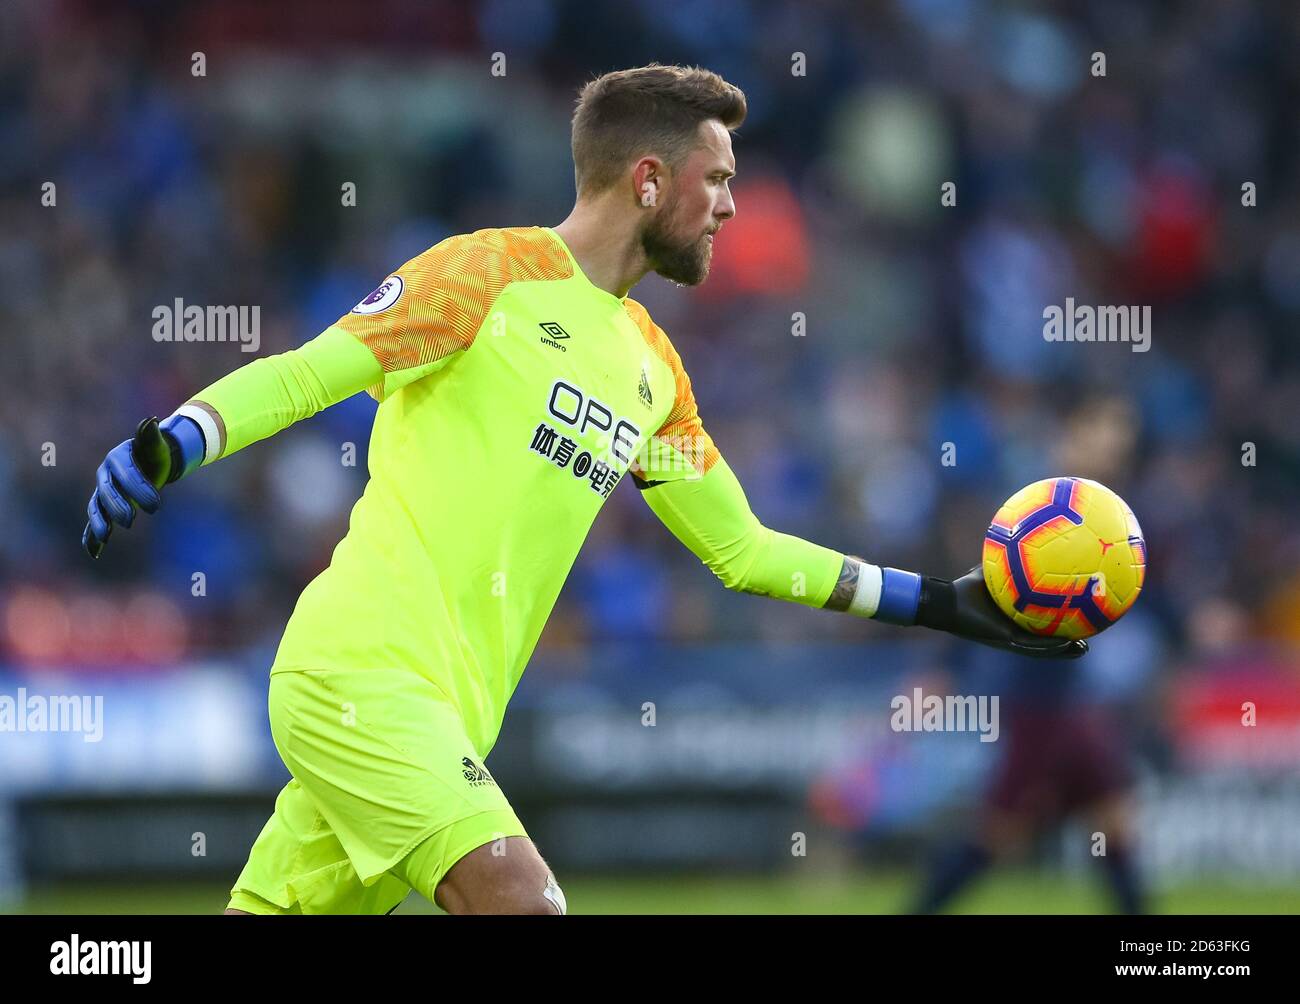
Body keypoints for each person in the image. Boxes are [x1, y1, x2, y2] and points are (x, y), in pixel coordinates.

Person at [81, 63, 1084, 916]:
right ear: (649, 180)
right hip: (358, 675)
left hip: (452, 716)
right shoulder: (488, 274)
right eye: (717, 178)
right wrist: (178, 438)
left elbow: (741, 548)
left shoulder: (653, 369)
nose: (732, 205)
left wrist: (941, 602)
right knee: (528, 903)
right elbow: (312, 370)